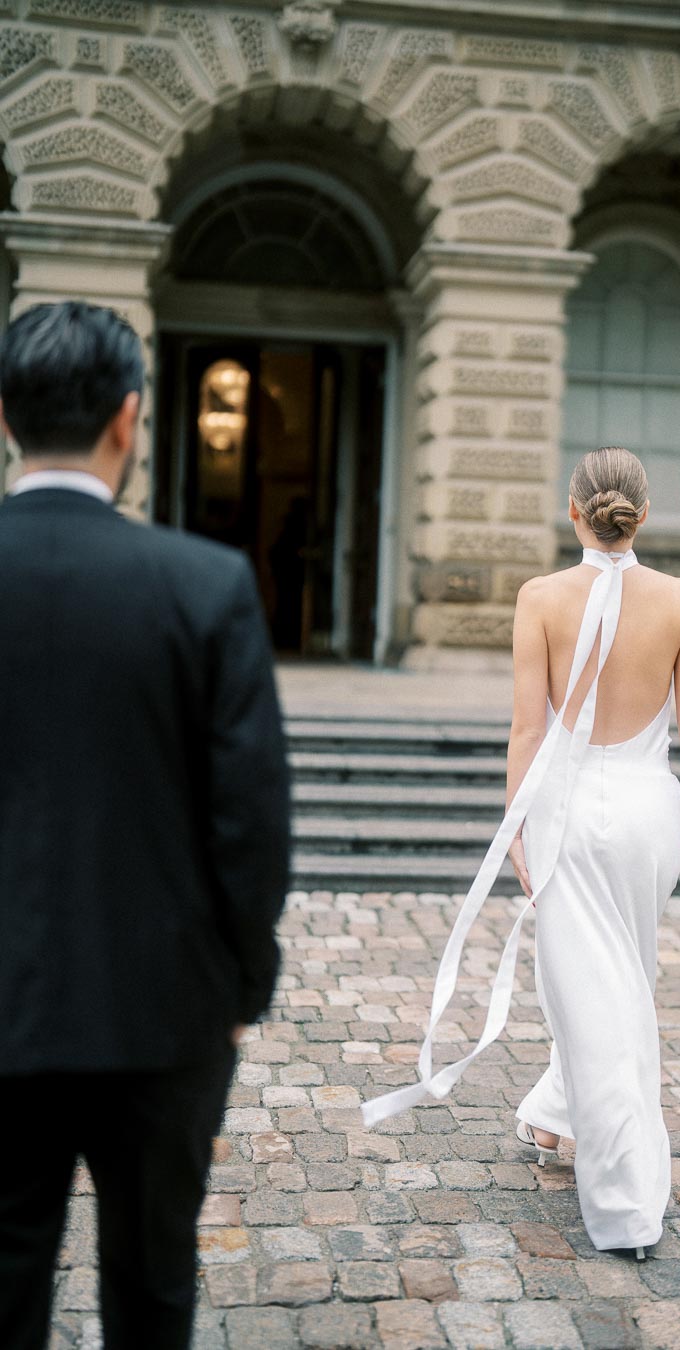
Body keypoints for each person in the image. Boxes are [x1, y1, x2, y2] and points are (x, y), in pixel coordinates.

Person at [362, 446, 680, 1260]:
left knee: (596, 987)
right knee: (619, 974)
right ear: (640, 516)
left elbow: (527, 730)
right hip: (649, 815)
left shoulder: (539, 597)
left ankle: (625, 1203)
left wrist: (516, 826)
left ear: (573, 511)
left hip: (567, 815)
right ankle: (552, 1113)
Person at [0, 301, 291, 1349]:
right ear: (129, 419)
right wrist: (243, 983)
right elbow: (252, 825)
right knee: (155, 1286)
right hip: (163, 1015)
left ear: (4, 417)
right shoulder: (206, 585)